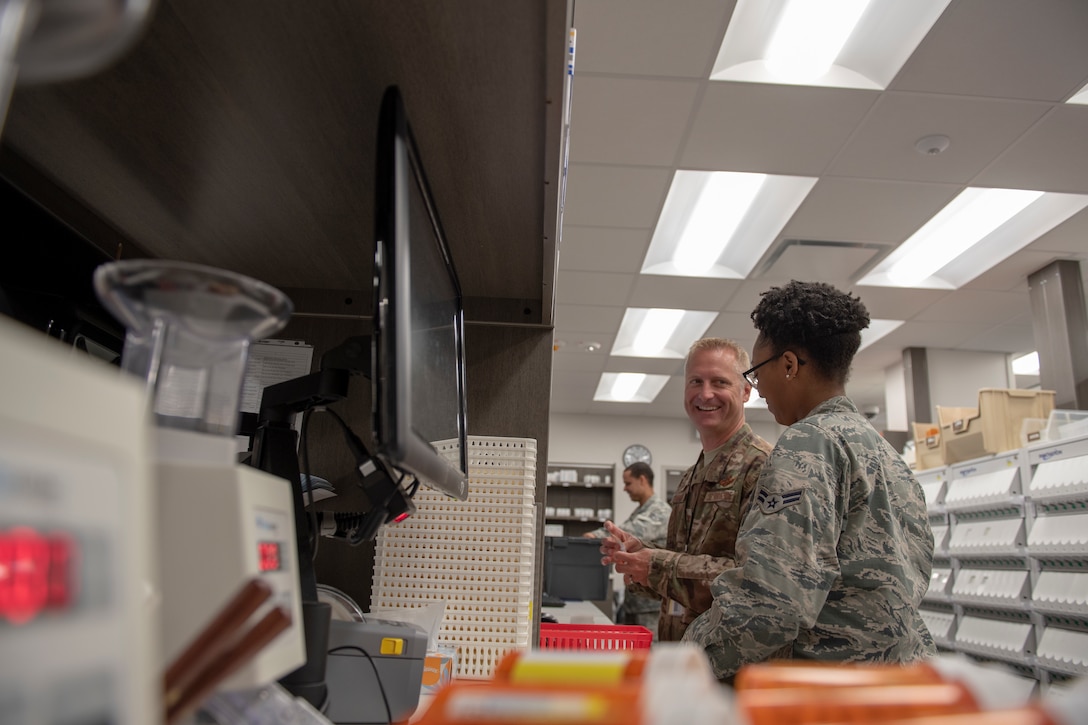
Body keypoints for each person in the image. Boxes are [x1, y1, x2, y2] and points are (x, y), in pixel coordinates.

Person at [681, 280, 936, 680]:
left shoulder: (808, 443)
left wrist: (686, 659)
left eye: (757, 372)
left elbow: (772, 603)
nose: (760, 388)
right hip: (894, 683)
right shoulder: (886, 453)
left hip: (822, 692)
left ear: (789, 365)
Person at [601, 338, 772, 641]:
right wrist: (639, 559)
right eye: (696, 381)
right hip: (681, 657)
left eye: (720, 382)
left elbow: (755, 582)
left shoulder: (763, 467)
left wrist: (656, 563)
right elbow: (685, 577)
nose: (705, 394)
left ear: (746, 391)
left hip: (729, 668)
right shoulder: (692, 476)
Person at [583, 461, 670, 637]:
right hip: (637, 599)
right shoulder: (642, 510)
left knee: (647, 655)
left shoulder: (659, 512)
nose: (624, 488)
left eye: (628, 483)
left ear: (643, 480)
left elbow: (626, 534)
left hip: (649, 604)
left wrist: (594, 536)